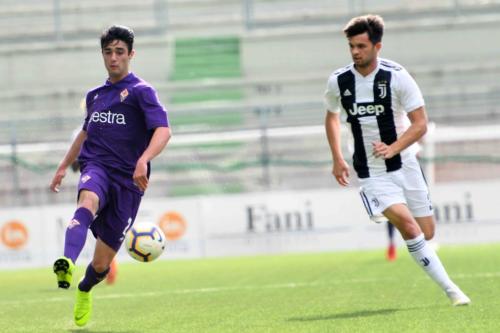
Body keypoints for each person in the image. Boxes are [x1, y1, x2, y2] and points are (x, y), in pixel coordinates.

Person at [324, 14, 470, 306]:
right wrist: (337, 158)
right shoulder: (339, 81)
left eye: (361, 46)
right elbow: (331, 117)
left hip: (405, 163)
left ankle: (381, 208)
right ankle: (452, 290)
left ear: (377, 46)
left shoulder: (398, 77)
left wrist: (393, 147)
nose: (355, 52)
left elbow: (420, 124)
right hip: (371, 170)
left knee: (427, 232)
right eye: (351, 46)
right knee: (410, 228)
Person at [49, 25, 171, 326]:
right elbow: (85, 132)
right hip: (97, 167)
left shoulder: (142, 92)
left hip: (128, 183)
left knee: (102, 264)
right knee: (87, 201)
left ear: (131, 54)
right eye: (108, 52)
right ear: (102, 54)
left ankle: (84, 287)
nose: (113, 58)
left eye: (119, 52)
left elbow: (164, 131)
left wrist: (144, 159)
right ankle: (66, 260)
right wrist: (65, 165)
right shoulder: (95, 96)